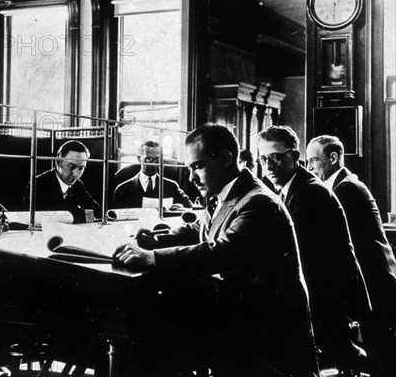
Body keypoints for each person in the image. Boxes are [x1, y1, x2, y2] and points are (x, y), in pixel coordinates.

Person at [114, 124, 317, 377]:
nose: (191, 178)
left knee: (155, 328)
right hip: (242, 313)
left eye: (197, 166)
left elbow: (222, 252)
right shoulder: (228, 194)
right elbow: (198, 230)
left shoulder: (258, 202)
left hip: (267, 329)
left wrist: (151, 258)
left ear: (224, 159)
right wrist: (153, 239)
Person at [258, 125, 369, 373]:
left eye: (275, 157)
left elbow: (292, 250)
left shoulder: (308, 192)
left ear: (295, 157)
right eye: (263, 158)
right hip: (324, 288)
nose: (268, 165)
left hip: (329, 295)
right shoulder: (295, 188)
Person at [307, 135, 396, 377]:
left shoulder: (346, 190)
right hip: (374, 281)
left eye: (313, 160)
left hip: (374, 283)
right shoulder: (344, 185)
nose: (310, 167)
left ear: (333, 158)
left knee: (381, 354)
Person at [23, 140, 100, 224]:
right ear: (58, 162)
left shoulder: (78, 185)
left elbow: (98, 212)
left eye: (81, 168)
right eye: (72, 167)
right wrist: (81, 214)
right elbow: (46, 219)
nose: (75, 174)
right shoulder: (38, 184)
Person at [112, 141, 192, 209]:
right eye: (148, 159)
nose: (152, 164)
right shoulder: (122, 189)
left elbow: (188, 207)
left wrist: (181, 208)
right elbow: (115, 217)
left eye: (156, 160)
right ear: (139, 158)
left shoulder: (172, 186)